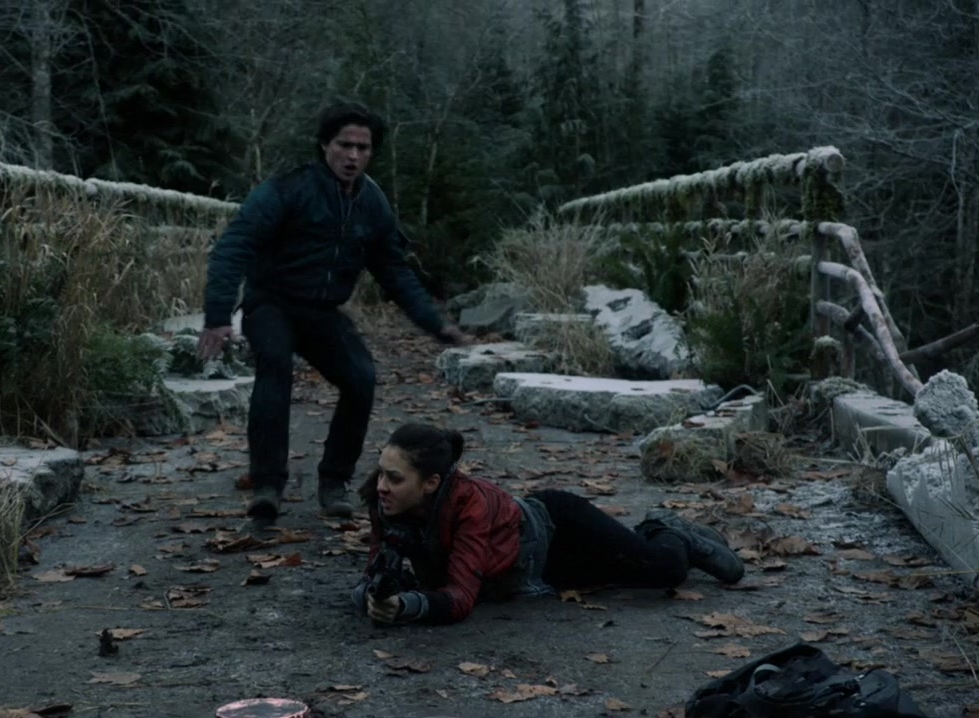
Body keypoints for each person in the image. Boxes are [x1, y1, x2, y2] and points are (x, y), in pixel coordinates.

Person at [199, 101, 467, 526]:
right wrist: (217, 317)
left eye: (363, 148)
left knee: (361, 379)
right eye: (345, 145)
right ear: (325, 144)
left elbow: (394, 271)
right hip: (271, 303)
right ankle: (267, 485)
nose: (353, 156)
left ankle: (334, 482)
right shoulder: (288, 189)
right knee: (274, 368)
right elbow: (234, 245)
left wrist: (435, 324)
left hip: (322, 311)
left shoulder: (372, 204)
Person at [352, 423, 746, 625]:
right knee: (626, 577)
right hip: (542, 573)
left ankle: (665, 527)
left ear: (431, 483)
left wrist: (407, 607)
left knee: (667, 571)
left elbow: (460, 597)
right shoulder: (385, 500)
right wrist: (374, 596)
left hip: (560, 527)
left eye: (395, 478)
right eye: (381, 472)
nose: (382, 486)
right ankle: (647, 537)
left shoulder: (472, 503)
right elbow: (374, 571)